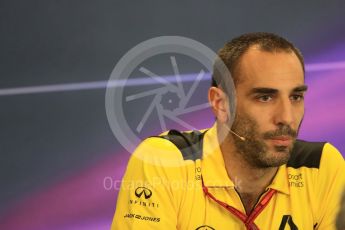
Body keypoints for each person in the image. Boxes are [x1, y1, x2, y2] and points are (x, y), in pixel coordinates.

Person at [111, 32, 345, 229]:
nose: (286, 117)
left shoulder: (321, 166)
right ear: (220, 104)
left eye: (296, 97)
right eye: (265, 97)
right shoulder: (164, 162)